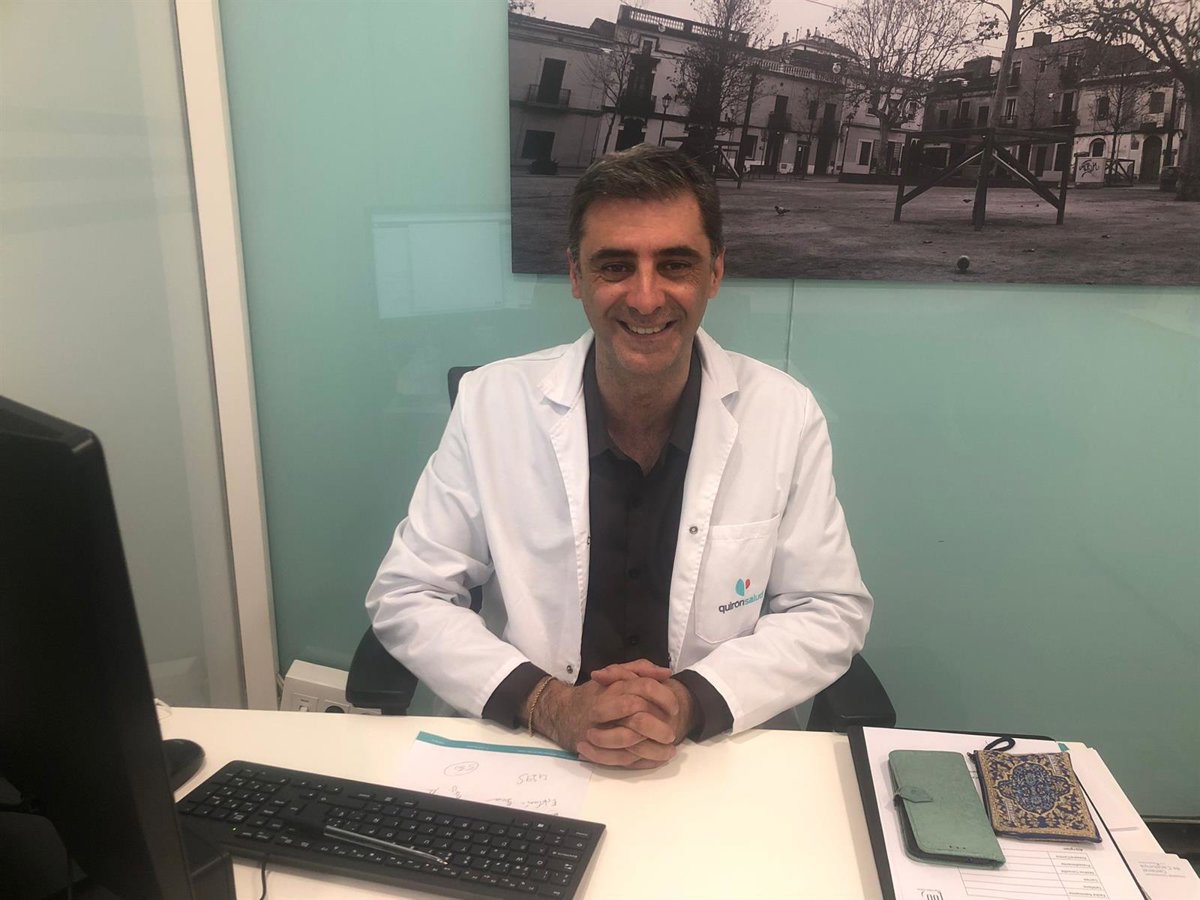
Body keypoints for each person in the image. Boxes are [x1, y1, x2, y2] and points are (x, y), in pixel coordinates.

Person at [366, 145, 871, 770]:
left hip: (710, 757)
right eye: (615, 266)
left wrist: (688, 702)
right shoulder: (489, 403)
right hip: (529, 751)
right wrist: (547, 704)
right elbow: (409, 592)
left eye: (675, 264)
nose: (646, 297)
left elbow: (828, 609)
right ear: (576, 276)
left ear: (715, 273)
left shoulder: (784, 414)